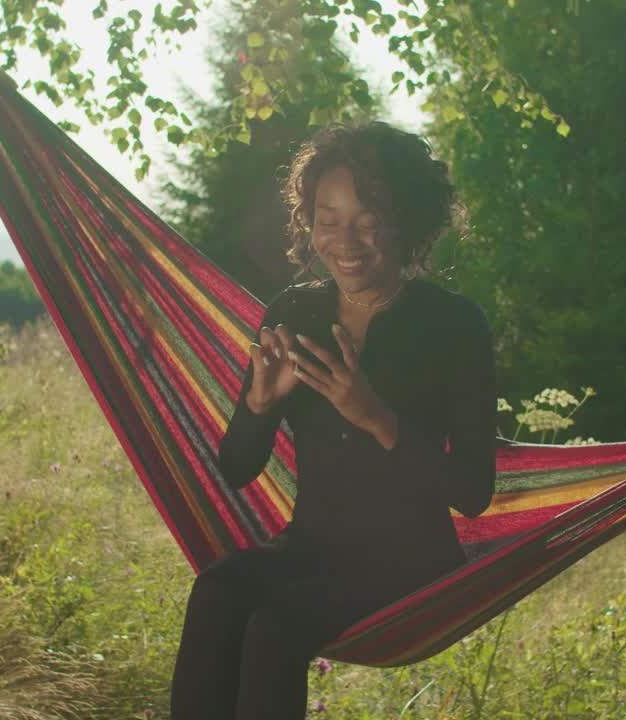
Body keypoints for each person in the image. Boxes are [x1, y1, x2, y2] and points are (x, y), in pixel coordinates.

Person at [169, 122, 496, 720]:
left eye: (368, 221)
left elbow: (473, 493)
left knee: (274, 629)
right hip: (312, 545)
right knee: (216, 592)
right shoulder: (295, 312)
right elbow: (237, 468)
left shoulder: (456, 327)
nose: (346, 241)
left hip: (411, 562)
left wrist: (379, 420)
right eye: (327, 219)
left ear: (407, 221)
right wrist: (260, 406)